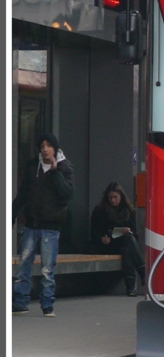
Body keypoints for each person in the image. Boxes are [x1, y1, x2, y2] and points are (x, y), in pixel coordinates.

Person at [12, 133, 75, 316]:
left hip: (51, 225)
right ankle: (20, 302)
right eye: (42, 146)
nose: (45, 149)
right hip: (31, 223)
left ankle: (47, 304)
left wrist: (55, 172)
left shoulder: (65, 167)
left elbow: (67, 194)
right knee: (23, 265)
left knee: (47, 268)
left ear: (55, 148)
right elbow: (23, 193)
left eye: (48, 145)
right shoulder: (33, 166)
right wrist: (12, 215)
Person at [90, 182, 146, 296]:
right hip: (107, 245)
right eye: (110, 197)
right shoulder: (100, 211)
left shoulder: (129, 210)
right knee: (128, 243)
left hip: (123, 243)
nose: (113, 200)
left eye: (115, 197)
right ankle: (143, 273)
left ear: (121, 196)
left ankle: (131, 288)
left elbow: (134, 233)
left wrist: (126, 231)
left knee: (127, 245)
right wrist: (102, 239)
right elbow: (94, 232)